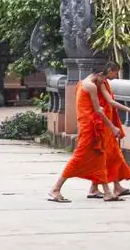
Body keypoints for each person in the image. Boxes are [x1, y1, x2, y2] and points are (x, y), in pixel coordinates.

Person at [47, 62, 121, 203]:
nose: (104, 83)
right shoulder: (91, 86)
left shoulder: (82, 83)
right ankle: (55, 188)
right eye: (104, 79)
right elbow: (98, 110)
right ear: (99, 75)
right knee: (78, 158)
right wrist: (112, 127)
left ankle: (107, 192)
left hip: (90, 126)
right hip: (89, 127)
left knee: (99, 157)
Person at [87, 71, 130, 200]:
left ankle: (97, 188)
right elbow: (110, 102)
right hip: (103, 123)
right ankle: (109, 187)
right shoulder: (97, 84)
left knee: (110, 154)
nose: (116, 76)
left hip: (107, 120)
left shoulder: (101, 82)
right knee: (108, 155)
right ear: (108, 71)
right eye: (115, 72)